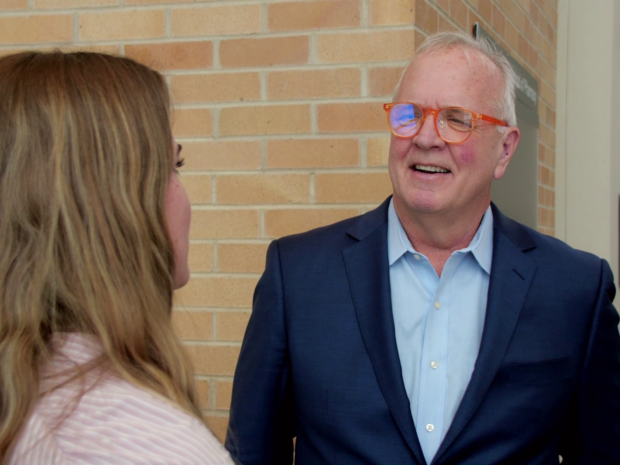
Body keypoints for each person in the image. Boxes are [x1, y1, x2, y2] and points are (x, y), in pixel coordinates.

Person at [226, 31, 620, 464]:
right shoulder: (297, 278)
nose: (426, 138)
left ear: (504, 150)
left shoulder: (574, 290)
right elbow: (253, 454)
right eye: (409, 114)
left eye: (455, 118)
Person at [0, 51, 233, 464]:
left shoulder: (22, 396)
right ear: (110, 204)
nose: (184, 199)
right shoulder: (149, 446)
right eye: (173, 165)